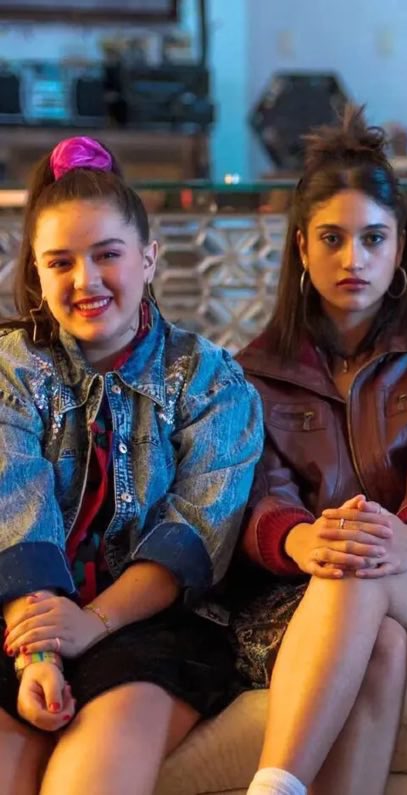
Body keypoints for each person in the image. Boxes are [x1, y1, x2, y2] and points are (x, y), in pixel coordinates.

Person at [0, 135, 263, 794]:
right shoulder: (11, 370)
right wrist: (39, 654)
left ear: (148, 258)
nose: (85, 281)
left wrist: (93, 623)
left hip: (150, 625)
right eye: (61, 262)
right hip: (22, 616)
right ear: (37, 273)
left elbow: (195, 533)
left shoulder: (210, 380)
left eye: (107, 255)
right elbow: (15, 508)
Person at [230, 107, 407, 795]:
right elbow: (260, 491)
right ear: (302, 247)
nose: (353, 260)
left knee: (361, 572)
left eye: (373, 238)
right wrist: (302, 539)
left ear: (400, 246)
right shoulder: (252, 373)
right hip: (295, 590)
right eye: (332, 239)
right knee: (379, 644)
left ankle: (272, 786)